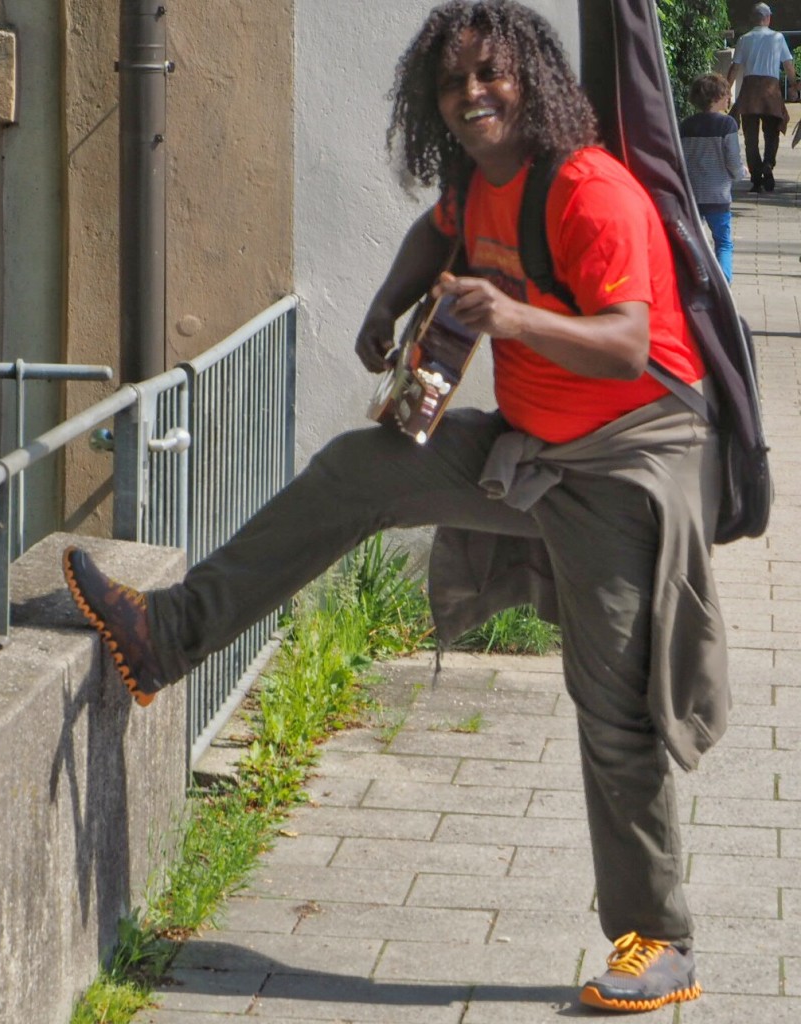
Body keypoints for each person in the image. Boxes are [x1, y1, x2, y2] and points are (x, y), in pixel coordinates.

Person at [64, 0, 727, 1012]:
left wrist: (506, 312)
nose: (471, 96)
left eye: (490, 76)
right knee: (355, 473)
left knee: (612, 704)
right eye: (452, 83)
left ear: (532, 82)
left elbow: (629, 343)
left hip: (630, 464)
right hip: (534, 445)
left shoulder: (591, 193)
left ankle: (658, 939)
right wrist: (385, 306)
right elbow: (437, 231)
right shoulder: (478, 186)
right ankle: (166, 635)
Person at [680, 73, 746, 281]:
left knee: (694, 241)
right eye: (726, 95)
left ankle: (694, 280)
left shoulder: (685, 125)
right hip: (718, 194)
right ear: (717, 97)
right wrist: (741, 173)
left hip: (692, 193)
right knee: (723, 243)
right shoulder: (727, 125)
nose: (729, 99)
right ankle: (724, 282)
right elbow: (733, 160)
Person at [728, 2, 799, 192]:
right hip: (771, 90)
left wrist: (726, 89)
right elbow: (788, 65)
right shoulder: (778, 38)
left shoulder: (744, 39)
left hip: (750, 91)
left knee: (751, 139)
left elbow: (735, 67)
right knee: (772, 132)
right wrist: (794, 85)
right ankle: (768, 163)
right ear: (768, 18)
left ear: (754, 18)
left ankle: (756, 177)